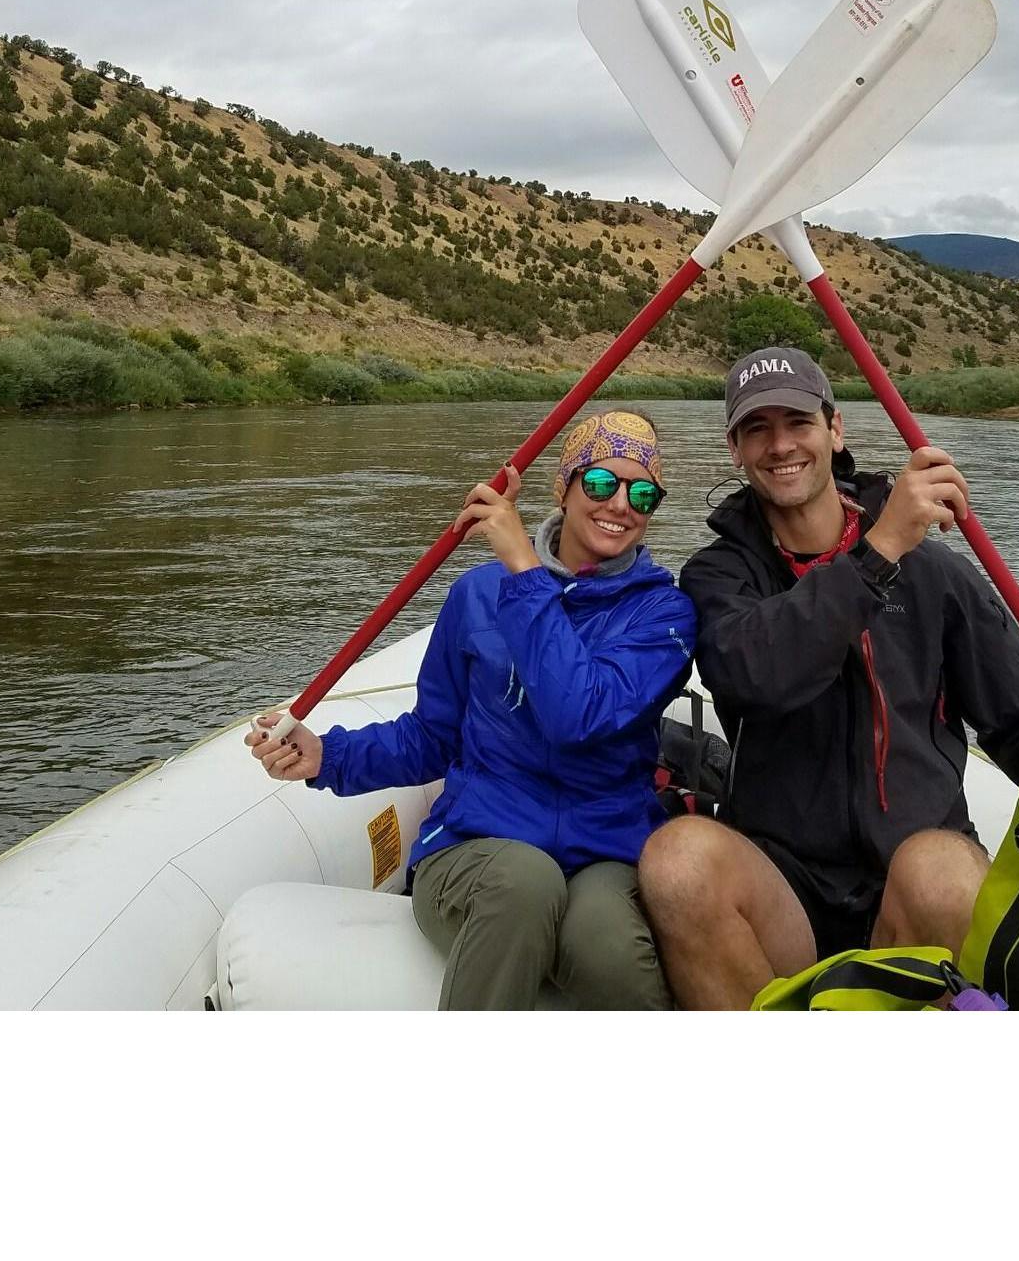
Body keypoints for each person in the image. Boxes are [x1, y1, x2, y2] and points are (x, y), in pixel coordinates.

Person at [638, 347, 1019, 1009]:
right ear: (734, 448)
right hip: (786, 892)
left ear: (834, 430)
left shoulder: (934, 575)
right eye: (758, 428)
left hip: (913, 883)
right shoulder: (720, 575)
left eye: (797, 421)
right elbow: (752, 677)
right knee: (678, 859)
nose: (780, 444)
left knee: (941, 867)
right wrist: (876, 553)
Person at [249, 410, 695, 1010]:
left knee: (605, 945)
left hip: (603, 847)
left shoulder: (663, 614)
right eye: (599, 483)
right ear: (564, 486)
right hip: (480, 840)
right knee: (524, 883)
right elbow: (434, 736)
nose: (620, 504)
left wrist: (524, 569)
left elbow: (579, 716)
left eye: (643, 493)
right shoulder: (477, 595)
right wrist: (329, 756)